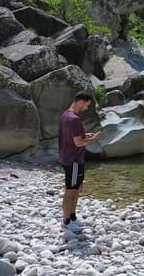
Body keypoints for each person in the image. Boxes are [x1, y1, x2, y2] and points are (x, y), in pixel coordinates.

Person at [59, 91, 100, 232]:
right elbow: (78, 142)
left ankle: (72, 217)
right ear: (80, 102)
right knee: (71, 191)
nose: (86, 108)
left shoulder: (65, 115)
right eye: (86, 105)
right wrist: (92, 139)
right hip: (73, 160)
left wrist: (85, 135)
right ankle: (66, 220)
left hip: (69, 158)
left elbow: (73, 137)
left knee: (77, 189)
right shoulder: (74, 119)